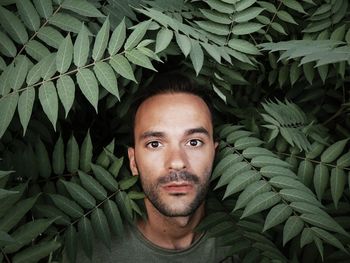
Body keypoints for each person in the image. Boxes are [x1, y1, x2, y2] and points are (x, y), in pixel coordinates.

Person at [77, 72, 237, 262]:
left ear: (214, 154)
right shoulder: (89, 253)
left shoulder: (252, 248)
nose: (177, 162)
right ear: (133, 162)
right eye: (155, 144)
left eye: (194, 142)